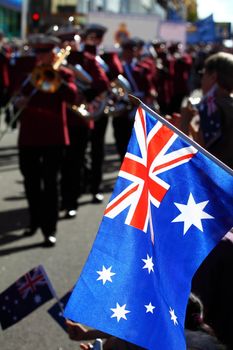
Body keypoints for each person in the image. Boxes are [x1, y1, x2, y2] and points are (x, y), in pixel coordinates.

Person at [18, 34, 77, 246]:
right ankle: (34, 222)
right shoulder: (28, 76)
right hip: (29, 136)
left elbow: (73, 97)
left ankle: (49, 229)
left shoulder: (64, 74)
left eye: (44, 53)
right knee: (31, 182)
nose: (40, 57)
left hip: (54, 137)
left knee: (50, 184)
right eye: (38, 53)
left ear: (52, 54)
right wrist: (19, 101)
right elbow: (15, 95)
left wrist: (57, 77)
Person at [174, 51, 233, 170]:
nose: (201, 80)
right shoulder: (228, 103)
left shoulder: (211, 107)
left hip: (216, 181)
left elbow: (199, 155)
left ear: (213, 77)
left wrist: (185, 123)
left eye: (203, 74)